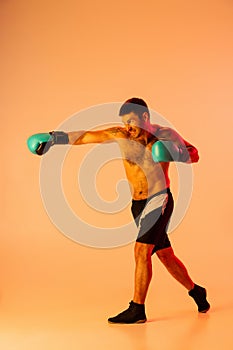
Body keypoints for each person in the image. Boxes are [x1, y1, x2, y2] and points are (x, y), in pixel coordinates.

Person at [27, 97, 210, 324]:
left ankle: (137, 309)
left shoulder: (165, 135)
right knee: (164, 254)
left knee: (141, 252)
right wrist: (55, 138)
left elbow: (195, 153)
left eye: (131, 121)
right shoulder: (122, 135)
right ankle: (196, 291)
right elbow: (86, 137)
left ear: (145, 117)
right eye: (125, 123)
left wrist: (177, 153)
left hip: (159, 199)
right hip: (137, 205)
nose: (128, 127)